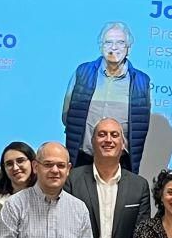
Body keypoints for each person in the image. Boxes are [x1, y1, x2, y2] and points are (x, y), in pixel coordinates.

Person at [63, 22, 153, 172]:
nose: (114, 47)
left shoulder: (142, 81)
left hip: (121, 163)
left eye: (120, 42)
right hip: (82, 158)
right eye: (108, 42)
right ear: (101, 46)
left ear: (128, 48)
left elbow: (141, 125)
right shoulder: (82, 73)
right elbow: (67, 115)